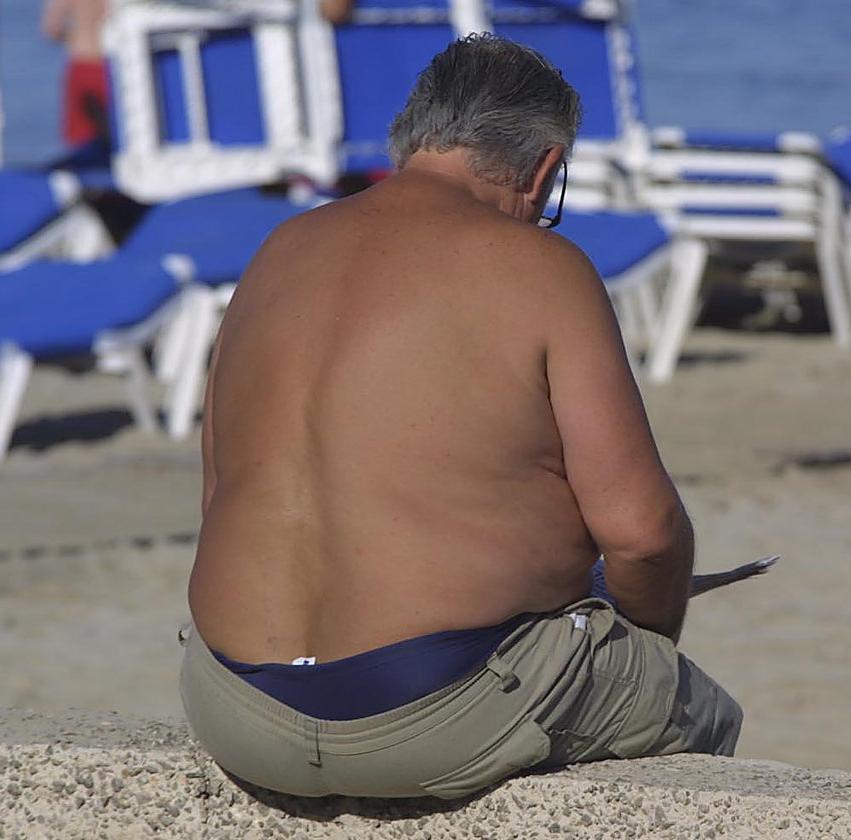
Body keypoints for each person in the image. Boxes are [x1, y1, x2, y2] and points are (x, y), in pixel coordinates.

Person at [179, 33, 742, 801]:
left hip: (235, 705)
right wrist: (641, 635)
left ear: (412, 138)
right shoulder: (542, 268)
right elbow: (643, 535)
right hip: (431, 710)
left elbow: (222, 497)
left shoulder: (280, 249)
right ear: (545, 169)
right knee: (698, 707)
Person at [40, 0, 111, 147]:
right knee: (115, 130)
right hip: (109, 64)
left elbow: (51, 28)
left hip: (81, 62)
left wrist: (76, 36)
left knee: (82, 137)